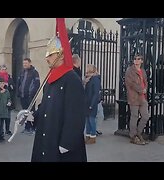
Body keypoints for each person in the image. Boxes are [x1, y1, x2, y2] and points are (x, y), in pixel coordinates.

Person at [30, 18, 86, 162]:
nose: (46, 58)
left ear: (61, 55)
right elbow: (45, 107)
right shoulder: (51, 79)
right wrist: (33, 116)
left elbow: (76, 114)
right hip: (47, 137)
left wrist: (67, 142)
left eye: (50, 54)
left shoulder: (71, 79)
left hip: (62, 143)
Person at [125, 54, 150, 145]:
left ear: (142, 61)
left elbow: (145, 82)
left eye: (138, 59)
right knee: (134, 117)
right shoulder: (130, 71)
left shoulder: (142, 71)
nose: (136, 60)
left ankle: (138, 133)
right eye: (135, 59)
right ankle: (133, 136)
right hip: (134, 97)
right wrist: (140, 90)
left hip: (143, 97)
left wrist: (145, 89)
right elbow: (130, 83)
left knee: (145, 116)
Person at [17, 58, 40, 134]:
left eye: (26, 63)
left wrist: (32, 93)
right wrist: (19, 92)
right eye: (24, 63)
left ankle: (33, 127)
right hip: (23, 96)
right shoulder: (22, 72)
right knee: (24, 112)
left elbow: (37, 84)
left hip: (30, 96)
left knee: (31, 112)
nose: (25, 65)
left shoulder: (34, 72)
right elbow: (19, 83)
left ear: (30, 63)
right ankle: (27, 127)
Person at [83, 64, 101, 144]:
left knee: (91, 120)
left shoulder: (95, 79)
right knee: (87, 120)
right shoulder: (88, 79)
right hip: (87, 102)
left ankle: (93, 136)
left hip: (91, 103)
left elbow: (95, 93)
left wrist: (92, 104)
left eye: (87, 70)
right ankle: (88, 135)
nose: (86, 72)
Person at [0, 77, 12, 142]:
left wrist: (9, 102)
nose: (2, 84)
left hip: (4, 110)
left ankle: (1, 135)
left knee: (2, 123)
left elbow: (9, 98)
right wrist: (0, 93)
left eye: (3, 83)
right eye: (0, 83)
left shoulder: (6, 91)